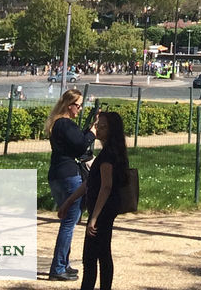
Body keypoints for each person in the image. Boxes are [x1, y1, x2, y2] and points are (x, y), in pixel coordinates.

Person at [59, 110, 128, 290]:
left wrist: (94, 218)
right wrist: (69, 201)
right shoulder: (110, 152)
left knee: (90, 258)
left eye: (103, 127)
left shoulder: (108, 156)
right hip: (105, 208)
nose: (99, 130)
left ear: (112, 131)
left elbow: (106, 186)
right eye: (98, 126)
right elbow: (90, 183)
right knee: (103, 254)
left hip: (103, 210)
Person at [45, 89, 95, 282]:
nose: (80, 109)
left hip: (57, 174)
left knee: (71, 220)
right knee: (69, 222)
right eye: (78, 105)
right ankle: (58, 267)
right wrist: (92, 133)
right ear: (69, 105)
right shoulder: (65, 123)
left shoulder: (59, 124)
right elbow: (82, 145)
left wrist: (88, 132)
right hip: (68, 175)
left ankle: (63, 263)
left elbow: (75, 143)